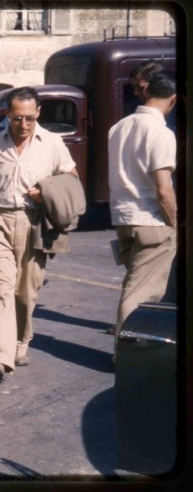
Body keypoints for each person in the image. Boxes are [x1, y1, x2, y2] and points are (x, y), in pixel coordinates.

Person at [0, 87, 78, 383]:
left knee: (26, 292)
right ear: (7, 114)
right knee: (1, 289)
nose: (23, 125)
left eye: (29, 119)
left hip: (35, 224)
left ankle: (21, 342)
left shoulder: (53, 144)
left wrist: (46, 190)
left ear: (38, 114)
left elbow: (71, 179)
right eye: (17, 118)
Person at [107, 70, 177, 355]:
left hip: (123, 217)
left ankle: (130, 349)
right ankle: (125, 354)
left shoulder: (119, 127)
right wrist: (174, 223)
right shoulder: (160, 132)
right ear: (172, 100)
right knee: (141, 293)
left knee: (134, 282)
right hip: (151, 220)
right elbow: (163, 190)